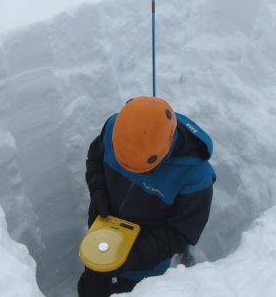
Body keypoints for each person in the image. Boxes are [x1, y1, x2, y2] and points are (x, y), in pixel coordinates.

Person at [78, 96, 216, 296]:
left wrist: (134, 256)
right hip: (103, 236)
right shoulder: (114, 128)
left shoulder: (196, 177)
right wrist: (98, 191)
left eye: (142, 169)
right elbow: (95, 159)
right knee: (90, 288)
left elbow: (183, 232)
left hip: (147, 260)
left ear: (164, 152)